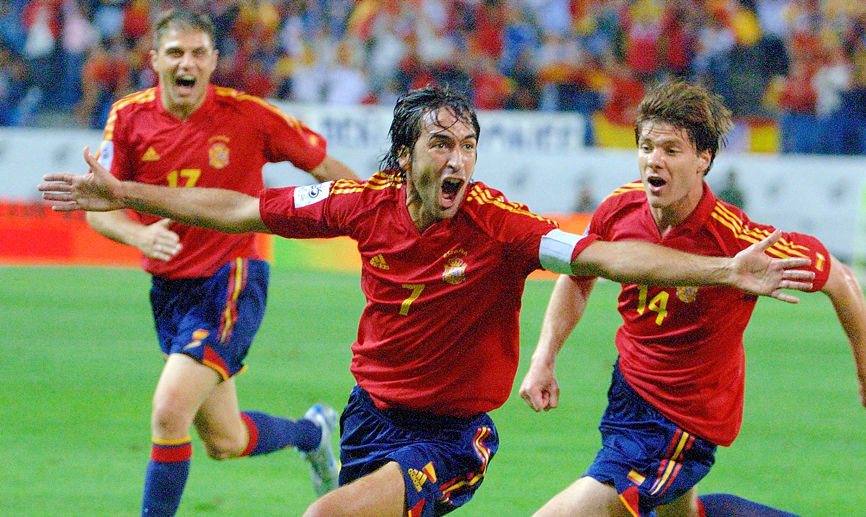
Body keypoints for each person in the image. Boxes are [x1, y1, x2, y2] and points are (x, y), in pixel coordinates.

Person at [40, 85, 816, 517]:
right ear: (405, 154)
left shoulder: (502, 224)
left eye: (469, 144)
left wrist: (722, 273)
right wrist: (123, 193)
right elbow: (243, 207)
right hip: (370, 417)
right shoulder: (358, 204)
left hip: (452, 439)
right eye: (442, 144)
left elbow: (602, 255)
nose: (459, 159)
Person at [518, 81, 866, 517]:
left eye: (670, 149)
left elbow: (841, 278)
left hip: (682, 420)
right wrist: (544, 357)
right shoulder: (620, 208)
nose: (653, 161)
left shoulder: (739, 242)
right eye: (646, 146)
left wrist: (865, 370)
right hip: (627, 395)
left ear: (704, 158)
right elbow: (580, 274)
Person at [75, 8, 359, 517]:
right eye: (177, 52)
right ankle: (311, 433)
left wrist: (375, 212)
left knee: (168, 413)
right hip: (170, 290)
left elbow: (322, 167)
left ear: (213, 61)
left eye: (198, 53)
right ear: (154, 59)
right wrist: (137, 233)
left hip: (233, 278)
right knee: (224, 440)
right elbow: (103, 209)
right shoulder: (128, 117)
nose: (188, 63)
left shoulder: (249, 115)